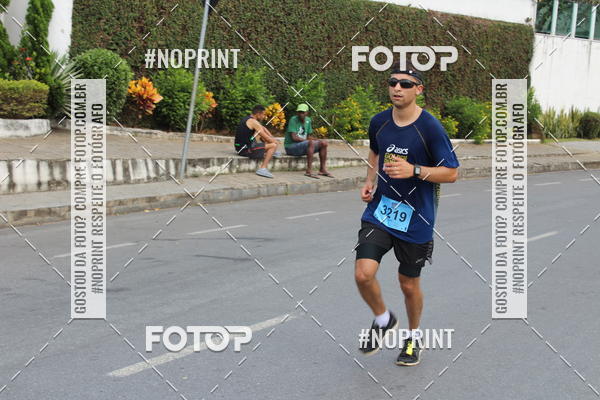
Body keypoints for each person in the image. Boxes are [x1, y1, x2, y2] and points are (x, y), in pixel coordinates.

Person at [355, 62, 459, 366]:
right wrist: (370, 180)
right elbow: (375, 151)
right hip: (381, 212)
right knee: (363, 274)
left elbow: (451, 173)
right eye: (393, 82)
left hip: (416, 219)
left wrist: (414, 170)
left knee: (408, 284)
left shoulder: (430, 128)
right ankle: (383, 319)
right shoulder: (379, 122)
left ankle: (413, 338)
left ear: (418, 90)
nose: (397, 88)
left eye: (405, 84)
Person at [284, 104, 333, 179]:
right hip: (291, 147)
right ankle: (309, 171)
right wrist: (309, 141)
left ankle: (322, 170)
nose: (301, 114)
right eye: (299, 112)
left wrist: (318, 140)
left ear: (307, 112)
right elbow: (294, 138)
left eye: (303, 112)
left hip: (302, 146)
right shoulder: (293, 120)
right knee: (311, 143)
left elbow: (308, 137)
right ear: (297, 113)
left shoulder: (308, 120)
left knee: (323, 143)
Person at [234, 105, 281, 178]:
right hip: (245, 150)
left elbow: (263, 130)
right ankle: (262, 169)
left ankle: (271, 152)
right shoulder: (254, 122)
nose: (264, 117)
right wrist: (276, 142)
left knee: (262, 129)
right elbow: (267, 138)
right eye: (263, 114)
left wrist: (272, 139)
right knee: (273, 146)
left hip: (240, 147)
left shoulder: (248, 119)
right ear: (258, 114)